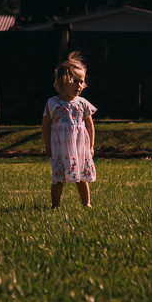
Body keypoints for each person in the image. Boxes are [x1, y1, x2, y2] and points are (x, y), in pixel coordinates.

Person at [42, 51, 96, 208]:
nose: (79, 85)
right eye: (75, 81)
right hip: (60, 147)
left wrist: (91, 146)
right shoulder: (53, 103)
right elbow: (46, 124)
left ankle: (86, 204)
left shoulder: (83, 103)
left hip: (80, 147)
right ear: (62, 81)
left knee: (81, 177)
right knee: (58, 177)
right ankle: (55, 205)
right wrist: (47, 145)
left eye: (81, 81)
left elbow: (89, 125)